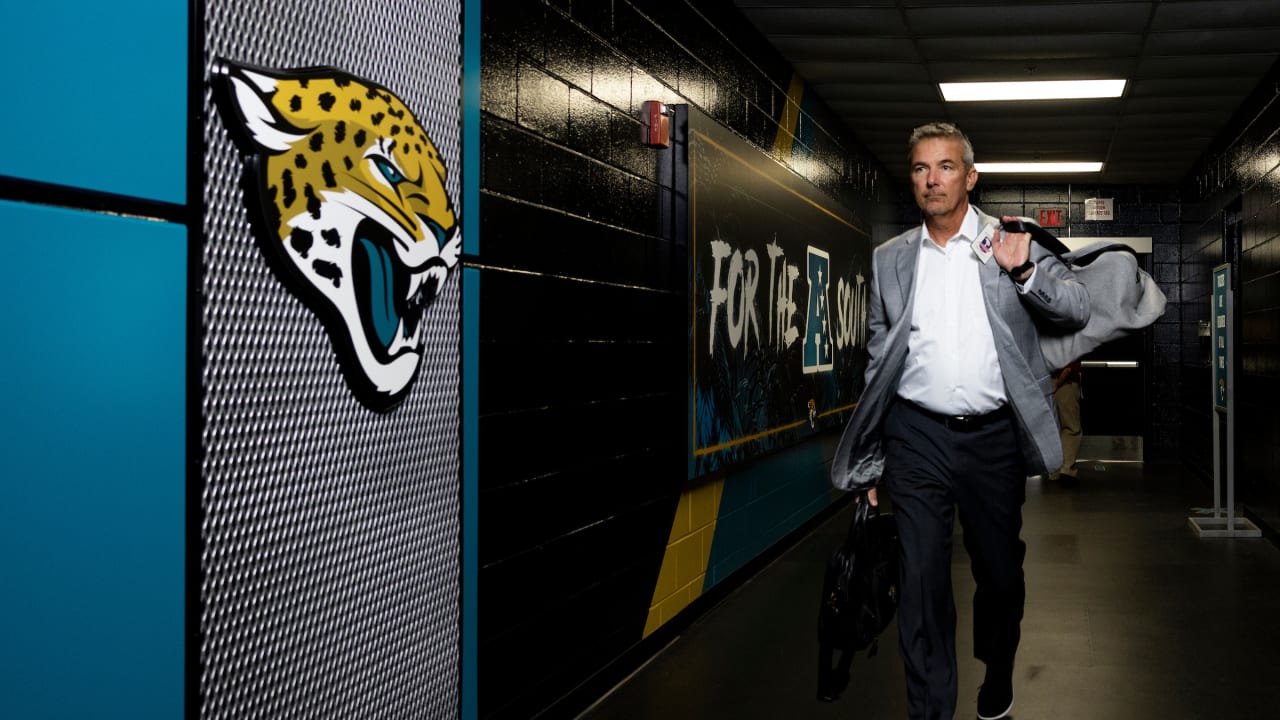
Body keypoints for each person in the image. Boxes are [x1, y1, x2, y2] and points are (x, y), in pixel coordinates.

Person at [830, 122, 1090, 720]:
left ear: (970, 177)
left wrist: (1024, 274)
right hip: (915, 436)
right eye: (921, 169)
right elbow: (879, 359)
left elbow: (1076, 307)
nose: (931, 180)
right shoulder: (891, 259)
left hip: (993, 438)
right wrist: (869, 457)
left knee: (999, 576)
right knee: (919, 580)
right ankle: (931, 710)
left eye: (945, 167)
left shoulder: (1010, 239)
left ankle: (997, 674)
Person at [1050, 361, 1083, 486]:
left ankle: (1054, 472)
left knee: (1055, 428)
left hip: (1048, 384)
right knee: (1071, 428)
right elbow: (1068, 369)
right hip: (1065, 384)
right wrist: (1057, 384)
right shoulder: (1070, 343)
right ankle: (1066, 470)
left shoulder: (1044, 342)